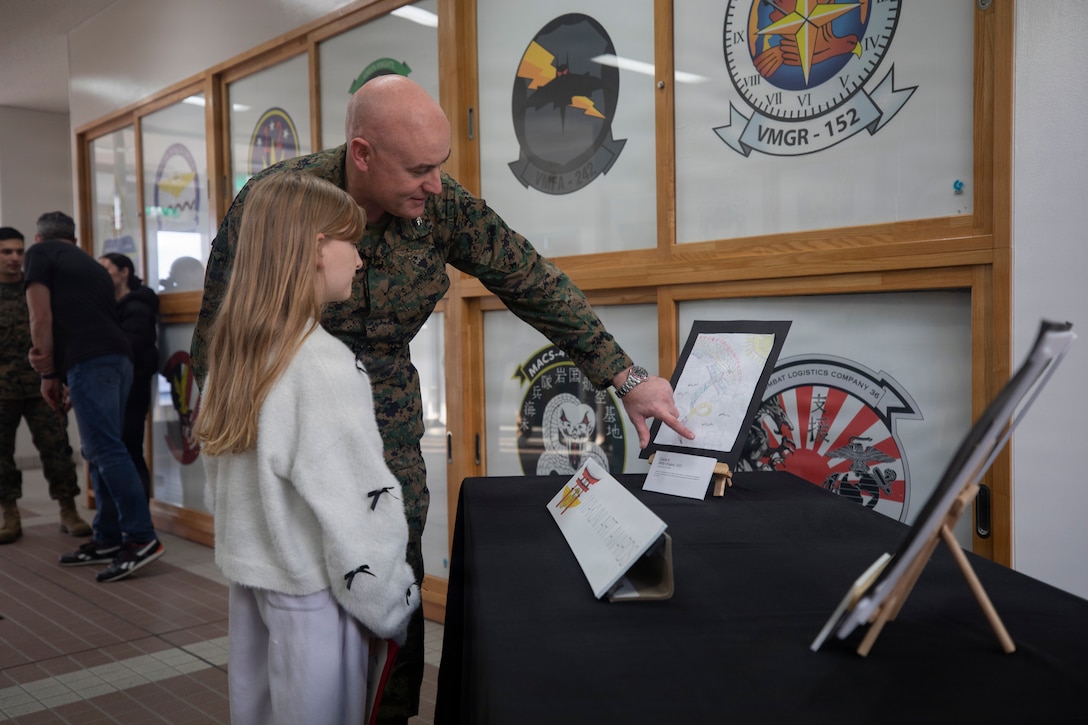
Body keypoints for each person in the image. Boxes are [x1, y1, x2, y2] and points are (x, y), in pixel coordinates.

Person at [191, 75, 694, 723]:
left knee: (392, 556)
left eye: (441, 168)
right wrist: (230, 435)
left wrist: (625, 377)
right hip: (287, 411)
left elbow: (529, 278)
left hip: (386, 417)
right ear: (362, 153)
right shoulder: (282, 201)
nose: (434, 184)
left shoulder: (441, 206)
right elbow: (219, 324)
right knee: (294, 581)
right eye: (420, 169)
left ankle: (388, 709)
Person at [193, 172, 420, 724]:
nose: (360, 260)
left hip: (255, 583)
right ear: (318, 249)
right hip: (320, 597)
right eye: (353, 243)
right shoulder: (320, 364)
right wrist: (391, 605)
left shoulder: (240, 353)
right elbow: (355, 509)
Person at [24, 211, 164, 582]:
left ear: (39, 239)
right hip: (117, 359)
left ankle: (140, 537)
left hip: (92, 361)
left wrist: (49, 371)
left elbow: (40, 318)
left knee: (105, 449)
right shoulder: (90, 265)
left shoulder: (41, 255)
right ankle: (106, 537)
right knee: (102, 448)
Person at [0, 226, 91, 543]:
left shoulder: (37, 287)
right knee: (1, 455)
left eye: (18, 251)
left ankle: (69, 511)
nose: (14, 258)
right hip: (2, 392)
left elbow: (59, 333)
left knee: (58, 450)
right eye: (6, 252)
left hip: (43, 386)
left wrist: (62, 377)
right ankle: (9, 514)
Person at [100, 252, 159, 499]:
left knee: (130, 450)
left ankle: (139, 517)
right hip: (116, 387)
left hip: (132, 388)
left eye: (107, 268)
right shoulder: (108, 304)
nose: (101, 274)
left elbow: (130, 347)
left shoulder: (137, 306)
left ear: (124, 272)